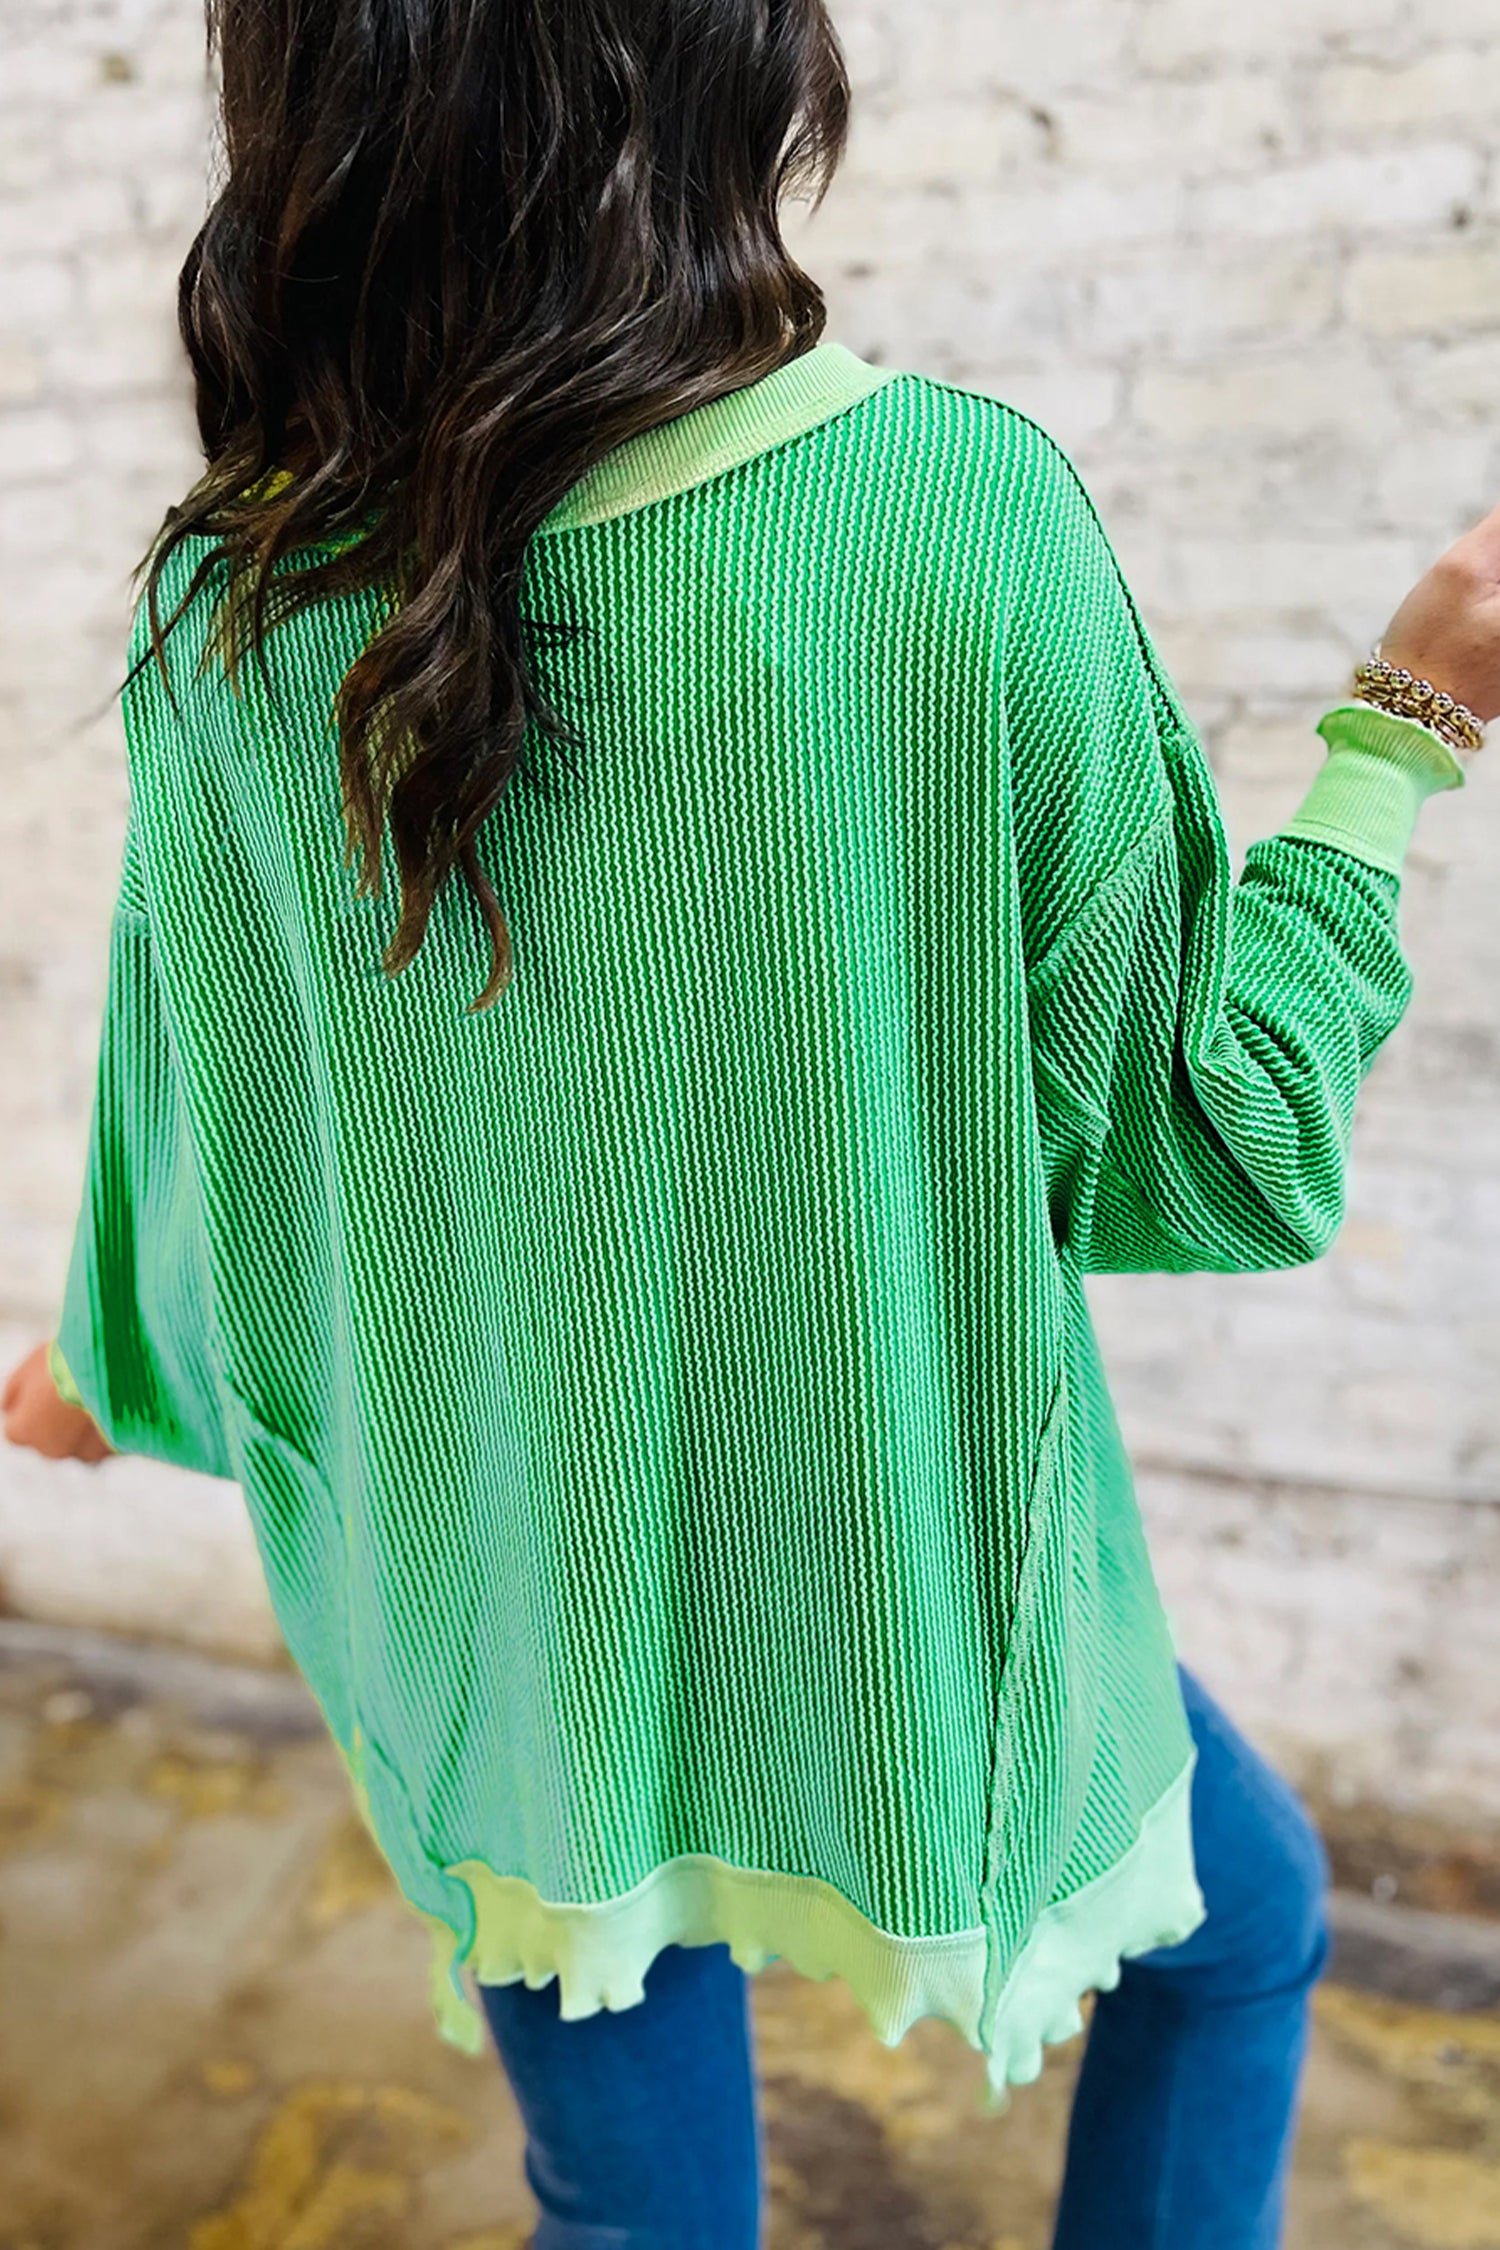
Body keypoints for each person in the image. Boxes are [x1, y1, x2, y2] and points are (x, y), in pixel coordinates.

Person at [3, 3, 1495, 2245]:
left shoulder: (235, 601)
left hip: (513, 1623)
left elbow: (223, 1109)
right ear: (715, 71)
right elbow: (1214, 1143)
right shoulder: (946, 518)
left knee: (640, 2209)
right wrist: (1404, 724)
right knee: (1245, 1932)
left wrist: (115, 1360)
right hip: (881, 1564)